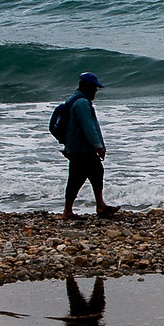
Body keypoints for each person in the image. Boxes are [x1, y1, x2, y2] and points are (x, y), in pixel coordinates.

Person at [51, 71, 112, 218]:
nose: (95, 91)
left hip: (75, 147)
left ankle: (97, 205)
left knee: (88, 174)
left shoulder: (72, 100)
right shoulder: (82, 103)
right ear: (84, 86)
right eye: (93, 87)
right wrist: (98, 146)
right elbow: (88, 126)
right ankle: (71, 210)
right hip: (82, 149)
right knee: (85, 175)